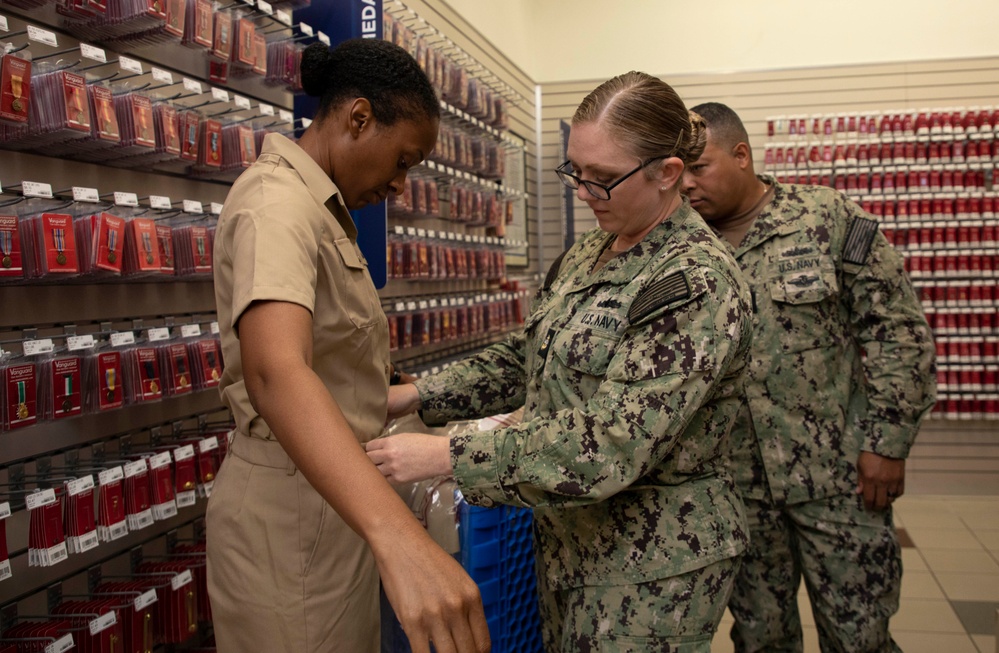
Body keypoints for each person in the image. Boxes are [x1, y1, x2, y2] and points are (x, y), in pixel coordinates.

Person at [366, 71, 753, 652]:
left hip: (651, 571)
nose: (582, 191)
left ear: (667, 174)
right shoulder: (592, 252)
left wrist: (445, 452)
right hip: (571, 545)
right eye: (576, 171)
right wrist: (419, 395)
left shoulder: (694, 281)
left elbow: (610, 443)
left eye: (602, 179)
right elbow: (527, 359)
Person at [206, 39, 490, 653]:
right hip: (293, 515)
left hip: (332, 498)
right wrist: (400, 538)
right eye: (402, 160)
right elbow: (275, 371)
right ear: (358, 119)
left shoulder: (319, 210)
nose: (400, 184)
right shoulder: (277, 205)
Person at [682, 102, 937, 653]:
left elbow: (897, 330)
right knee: (760, 638)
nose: (686, 185)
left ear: (741, 155)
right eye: (676, 172)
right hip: (735, 488)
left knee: (858, 636)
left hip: (839, 478)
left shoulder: (828, 217)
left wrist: (888, 442)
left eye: (698, 167)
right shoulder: (681, 250)